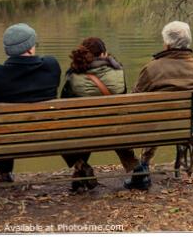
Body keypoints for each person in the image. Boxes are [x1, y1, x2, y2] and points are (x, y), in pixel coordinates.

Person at [123, 21, 193, 190]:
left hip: (155, 129)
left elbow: (134, 100)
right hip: (187, 128)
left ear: (167, 44)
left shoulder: (152, 69)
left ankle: (143, 167)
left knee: (152, 118)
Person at [0, 23, 61, 183]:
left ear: (8, 50)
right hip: (49, 135)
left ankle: (4, 172)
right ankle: (80, 165)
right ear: (30, 48)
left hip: (9, 138)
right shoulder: (51, 66)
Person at [60, 37, 140, 192]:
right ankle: (137, 167)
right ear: (104, 54)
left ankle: (80, 166)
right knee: (112, 122)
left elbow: (65, 108)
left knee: (68, 127)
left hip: (84, 133)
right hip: (115, 131)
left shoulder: (73, 78)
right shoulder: (118, 72)